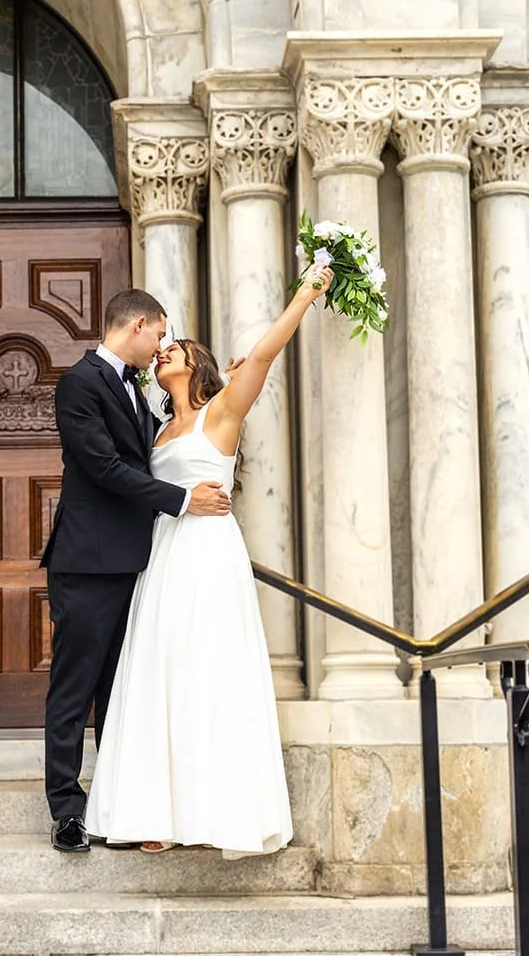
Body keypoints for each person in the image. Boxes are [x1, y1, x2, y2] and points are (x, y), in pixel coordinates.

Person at [84, 268, 333, 856]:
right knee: (160, 673)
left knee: (207, 674)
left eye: (177, 347)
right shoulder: (156, 426)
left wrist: (305, 293)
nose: (164, 349)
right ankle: (159, 815)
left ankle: (213, 814)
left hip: (208, 556)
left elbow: (266, 356)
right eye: (161, 344)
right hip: (163, 557)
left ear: (197, 367)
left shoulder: (221, 412)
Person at [40, 288, 233, 853]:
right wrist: (180, 499)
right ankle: (67, 810)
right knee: (75, 689)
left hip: (138, 566)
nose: (163, 345)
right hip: (87, 565)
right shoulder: (79, 383)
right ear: (140, 325)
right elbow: (101, 466)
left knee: (122, 692)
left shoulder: (133, 391)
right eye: (161, 334)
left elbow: (167, 440)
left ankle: (120, 803)